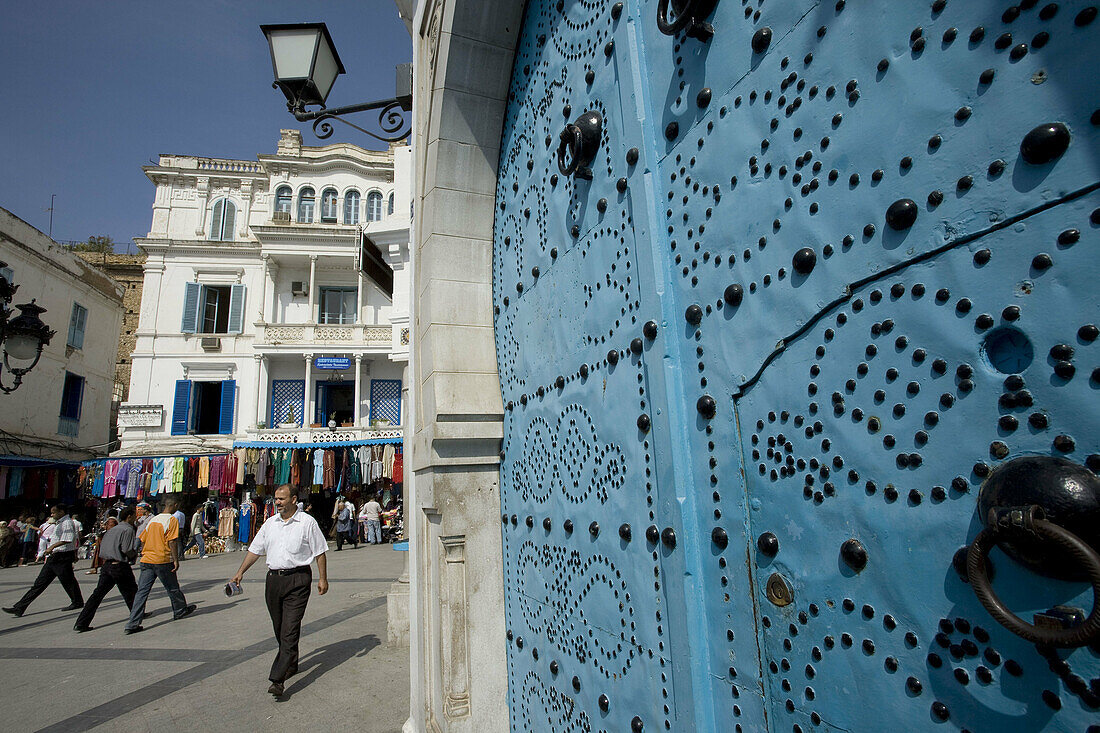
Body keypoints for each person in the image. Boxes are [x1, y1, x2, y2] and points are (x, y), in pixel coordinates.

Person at [231, 484, 328, 697]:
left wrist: (322, 578)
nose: (277, 503)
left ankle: (278, 679)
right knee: (279, 628)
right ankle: (291, 662)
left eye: (282, 499)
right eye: (276, 499)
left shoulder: (307, 522)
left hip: (299, 580)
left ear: (294, 499)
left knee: (289, 629)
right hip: (274, 581)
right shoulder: (270, 524)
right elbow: (255, 551)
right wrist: (240, 572)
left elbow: (320, 551)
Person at [123, 498, 196, 634]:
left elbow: (142, 539)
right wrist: (176, 559)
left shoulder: (153, 520)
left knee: (142, 592)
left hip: (147, 559)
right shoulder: (171, 520)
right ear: (174, 505)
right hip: (162, 559)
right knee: (173, 588)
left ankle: (132, 623)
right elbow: (172, 541)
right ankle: (179, 610)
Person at [2, 504, 84, 617]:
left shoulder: (67, 523)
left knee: (68, 581)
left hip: (61, 556)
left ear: (61, 512)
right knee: (40, 583)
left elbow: (67, 539)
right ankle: (20, 607)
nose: (52, 515)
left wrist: (51, 547)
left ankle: (77, 601)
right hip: (55, 556)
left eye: (54, 512)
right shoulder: (59, 522)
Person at [73, 508, 140, 632]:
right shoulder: (128, 529)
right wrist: (133, 554)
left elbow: (103, 548)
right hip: (119, 565)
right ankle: (135, 620)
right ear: (129, 516)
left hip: (107, 565)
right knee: (132, 592)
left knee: (97, 595)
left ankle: (82, 622)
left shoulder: (111, 530)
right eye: (135, 516)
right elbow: (126, 549)